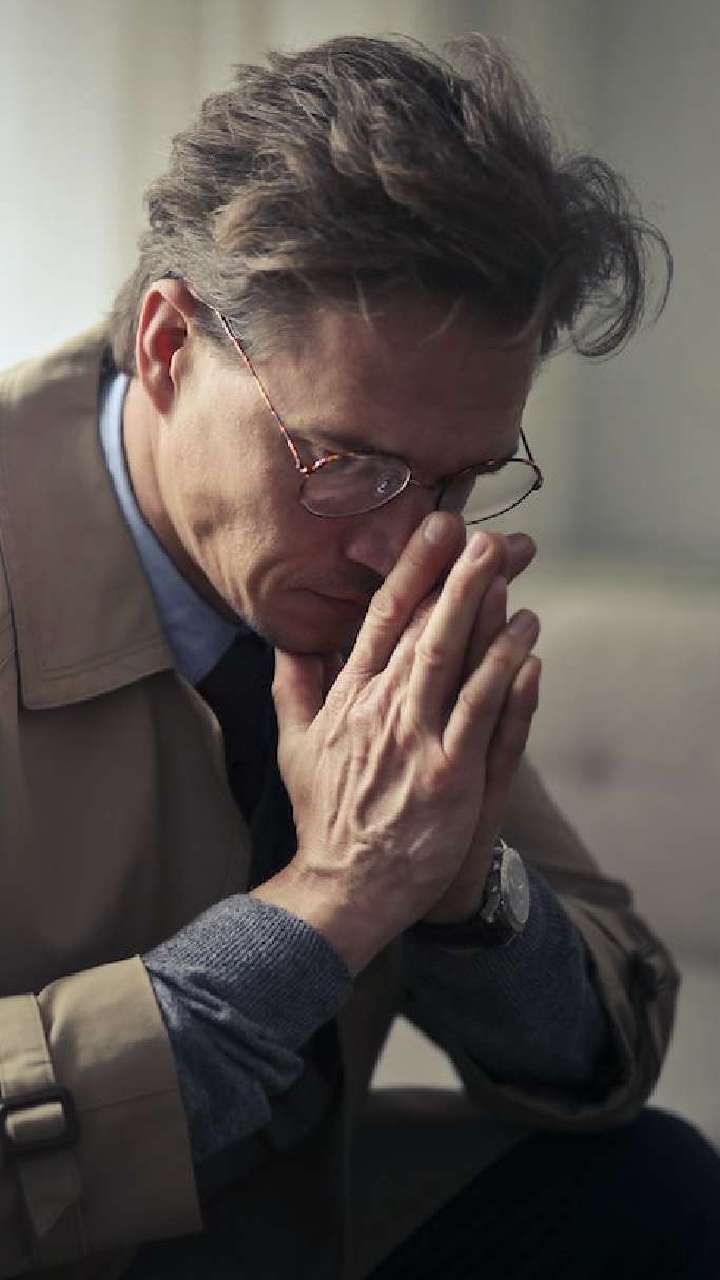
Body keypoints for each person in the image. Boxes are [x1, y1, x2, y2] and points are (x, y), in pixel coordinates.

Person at [0, 31, 717, 1280]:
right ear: (168, 346)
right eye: (348, 463)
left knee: (655, 1187)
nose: (404, 546)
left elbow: (610, 1045)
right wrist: (331, 904)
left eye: (459, 477)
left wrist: (465, 890)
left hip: (283, 1226)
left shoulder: (370, 581)